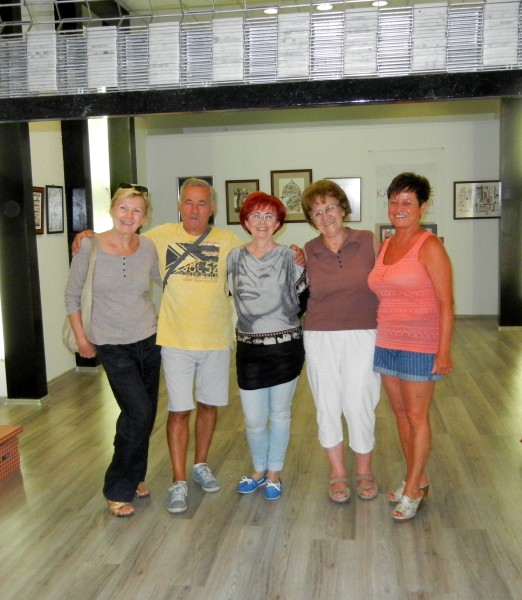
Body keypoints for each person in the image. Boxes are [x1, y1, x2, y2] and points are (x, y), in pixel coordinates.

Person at [65, 183, 161, 518]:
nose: (129, 216)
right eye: (124, 208)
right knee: (139, 412)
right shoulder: (89, 246)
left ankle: (134, 477)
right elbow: (71, 295)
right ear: (112, 209)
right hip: (111, 343)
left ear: (144, 217)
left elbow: (167, 279)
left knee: (142, 413)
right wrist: (82, 339)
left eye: (137, 211)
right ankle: (117, 488)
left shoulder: (147, 247)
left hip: (148, 338)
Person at [368, 172, 454, 522]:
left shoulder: (429, 246)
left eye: (407, 202)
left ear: (422, 207)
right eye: (394, 201)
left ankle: (413, 490)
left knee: (417, 417)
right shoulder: (386, 244)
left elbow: (446, 302)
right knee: (401, 415)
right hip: (387, 340)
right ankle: (416, 477)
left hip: (420, 344)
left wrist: (443, 351)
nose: (399, 208)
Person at [300, 179, 381, 504]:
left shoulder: (368, 240)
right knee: (327, 404)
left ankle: (364, 469)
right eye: (317, 212)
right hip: (320, 335)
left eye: (329, 207)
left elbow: (387, 284)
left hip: (364, 332)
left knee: (360, 401)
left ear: (343, 208)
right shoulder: (307, 250)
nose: (325, 216)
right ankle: (337, 472)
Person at [227, 192, 307, 500]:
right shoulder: (233, 257)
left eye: (269, 216)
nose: (262, 222)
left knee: (280, 413)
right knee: (253, 419)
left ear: (278, 223)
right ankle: (258, 469)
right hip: (249, 350)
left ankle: (274, 473)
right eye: (255, 216)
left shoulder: (291, 257)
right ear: (246, 222)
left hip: (285, 348)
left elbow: (302, 301)